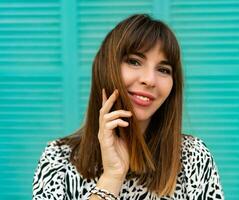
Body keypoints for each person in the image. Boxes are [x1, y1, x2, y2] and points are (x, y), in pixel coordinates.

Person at [32, 14, 224, 200]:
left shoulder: (193, 157)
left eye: (163, 70)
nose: (150, 80)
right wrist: (112, 177)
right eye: (134, 61)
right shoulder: (58, 159)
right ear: (107, 68)